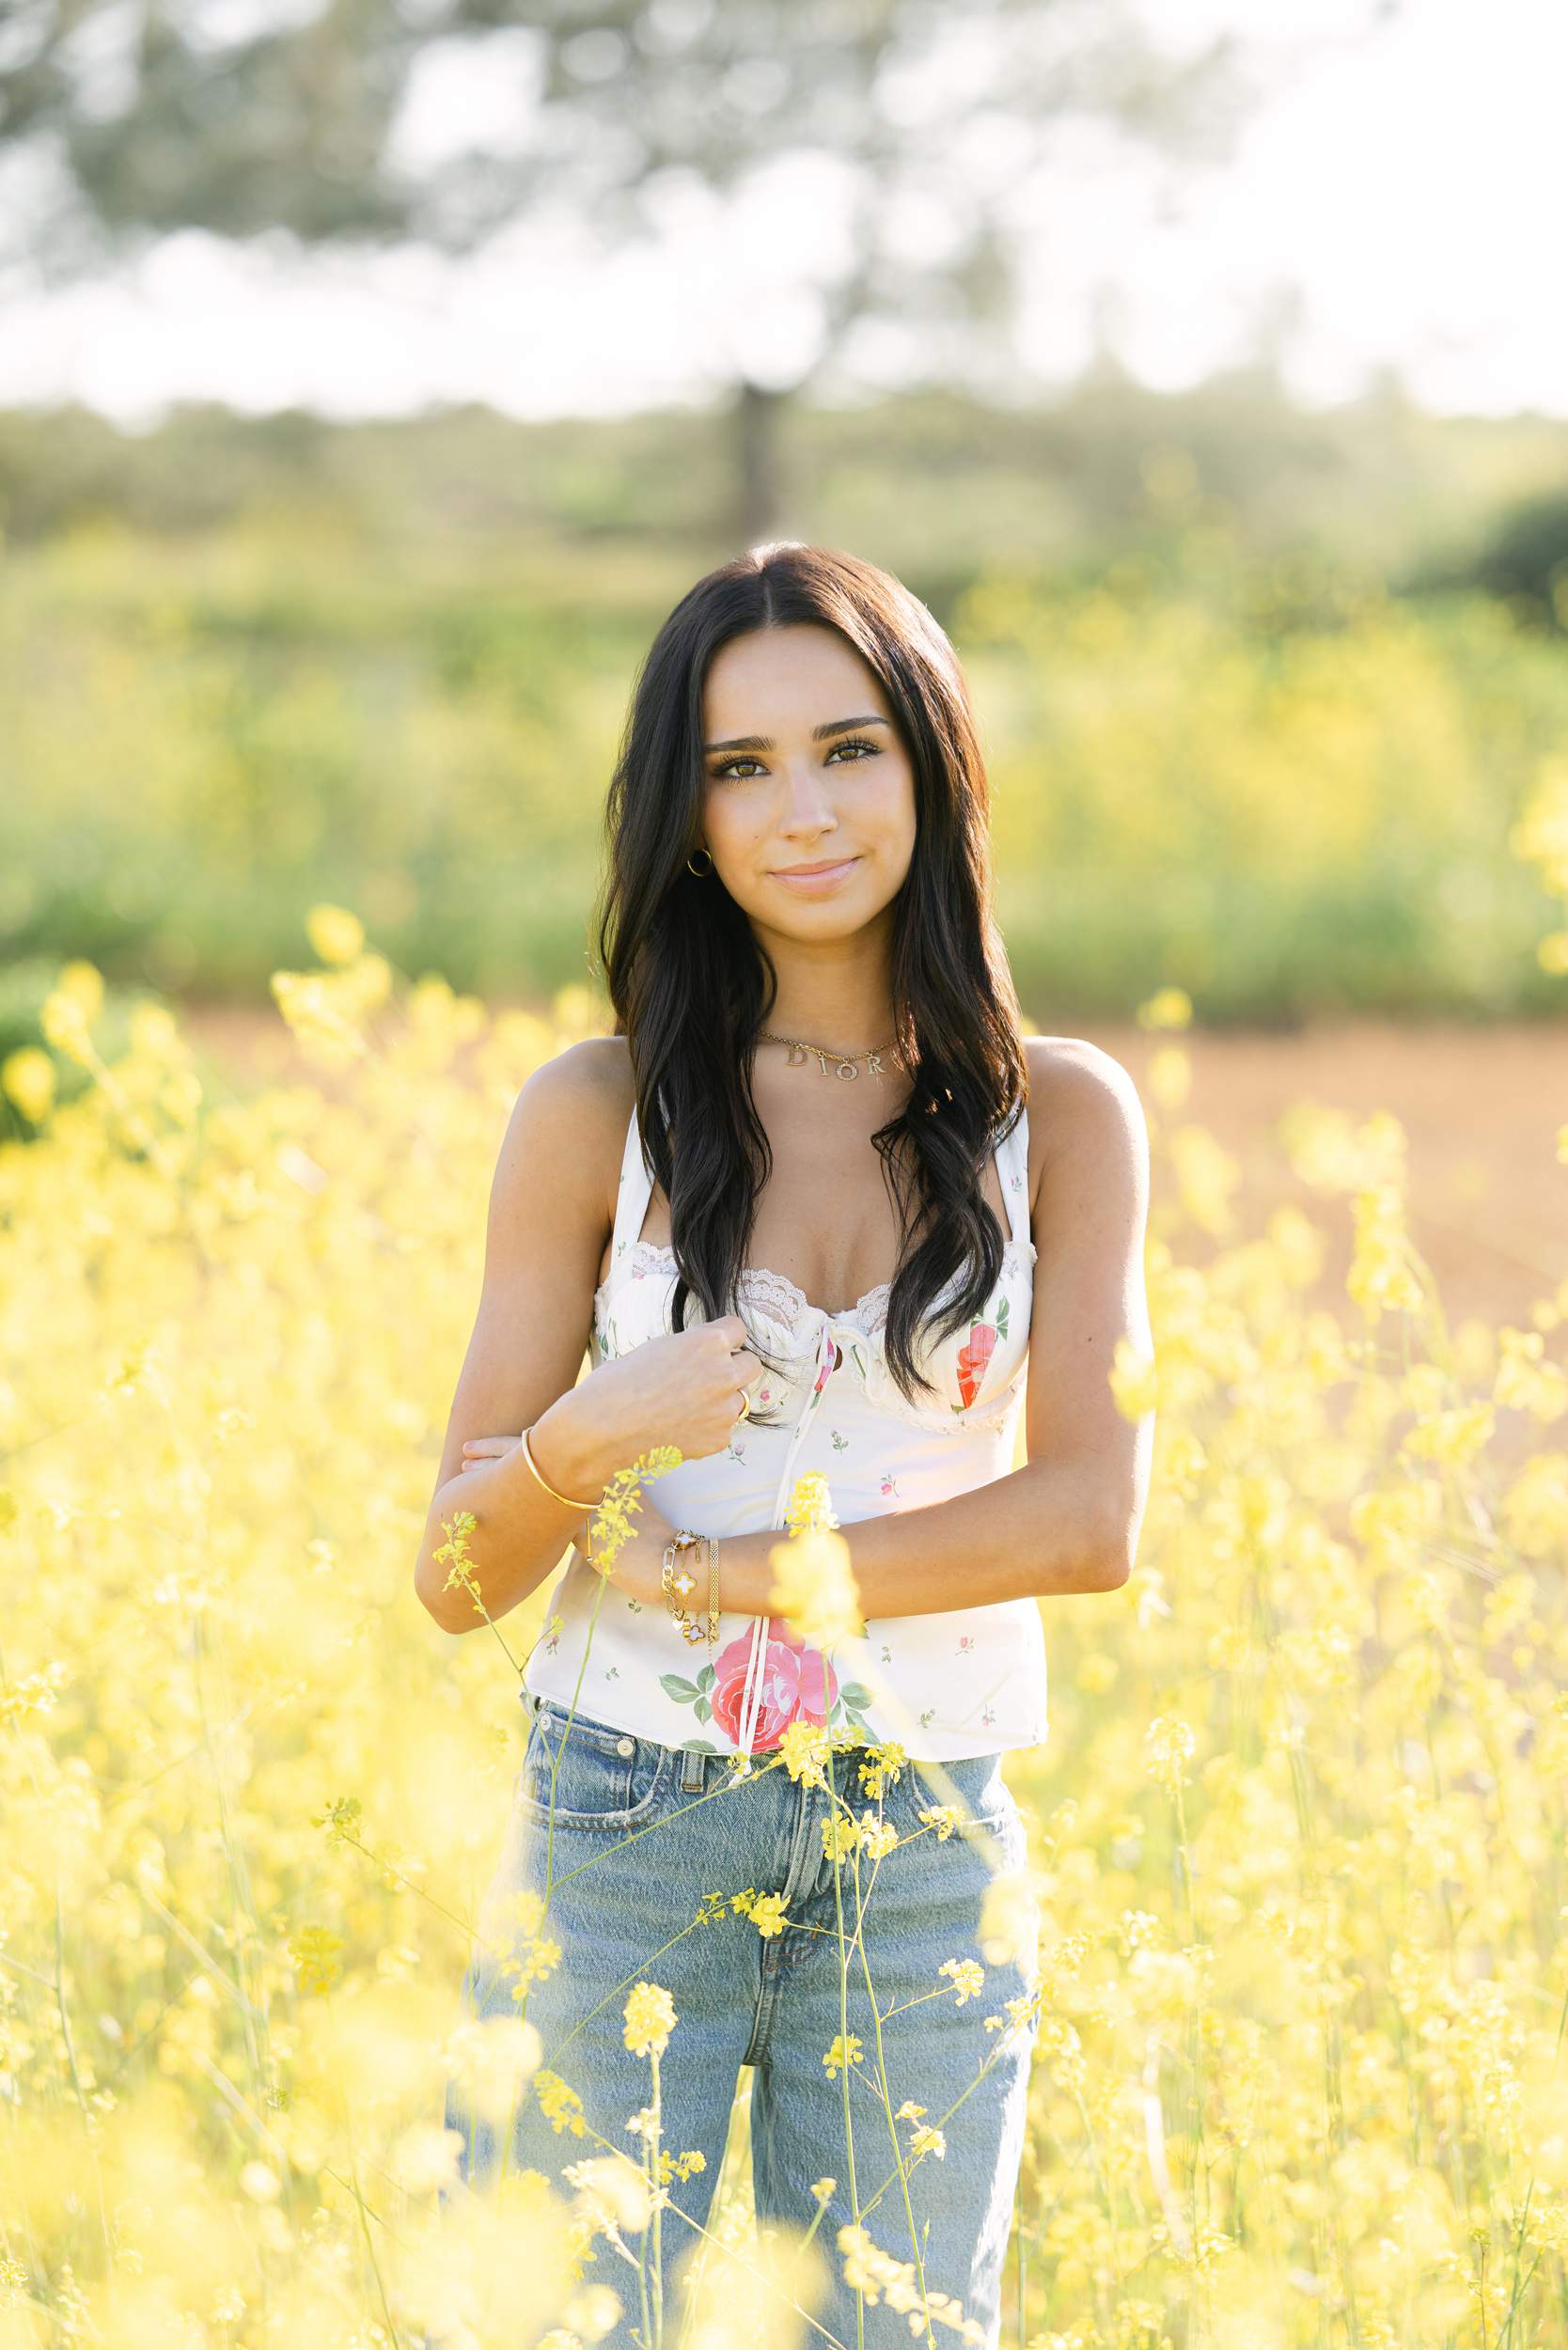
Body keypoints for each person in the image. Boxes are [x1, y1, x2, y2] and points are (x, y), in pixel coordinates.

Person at [416, 541, 1154, 2347]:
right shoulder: (596, 1115)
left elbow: (1086, 1521)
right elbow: (452, 1576)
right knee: (569, 2324)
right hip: (626, 1815)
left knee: (899, 2330)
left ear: (932, 763)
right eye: (740, 769)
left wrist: (715, 1576)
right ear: (685, 813)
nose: (801, 810)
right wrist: (591, 1436)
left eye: (849, 748)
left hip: (921, 1826)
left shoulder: (1062, 1115)